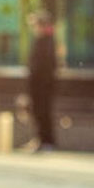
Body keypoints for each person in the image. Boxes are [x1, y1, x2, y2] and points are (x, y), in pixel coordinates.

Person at [23, 10, 57, 152]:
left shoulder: (46, 41)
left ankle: (45, 140)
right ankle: (41, 139)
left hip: (42, 83)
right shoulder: (42, 40)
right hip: (39, 82)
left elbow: (45, 65)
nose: (34, 28)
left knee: (42, 111)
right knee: (38, 111)